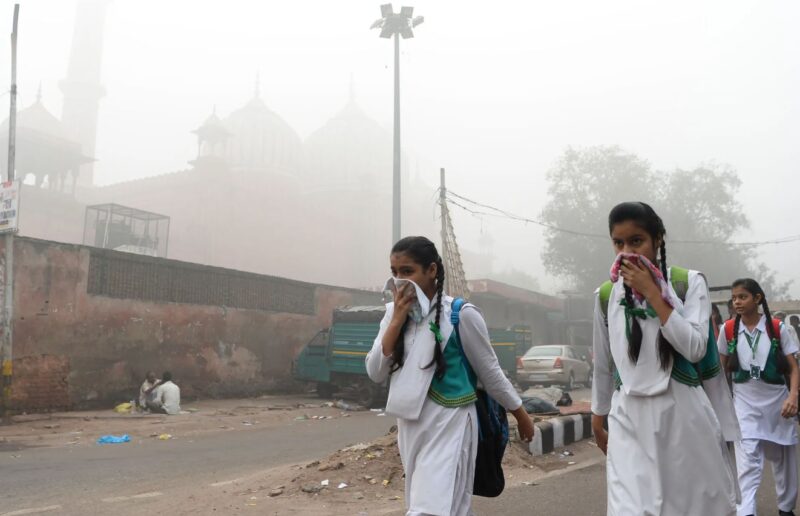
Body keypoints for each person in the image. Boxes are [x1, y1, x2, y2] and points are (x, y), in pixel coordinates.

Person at [365, 236, 534, 516]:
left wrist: (521, 414)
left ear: (431, 270)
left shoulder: (461, 315)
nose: (400, 281)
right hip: (410, 424)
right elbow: (375, 371)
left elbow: (490, 373)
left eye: (408, 271)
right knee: (448, 506)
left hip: (452, 421)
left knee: (430, 507)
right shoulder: (393, 315)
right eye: (394, 273)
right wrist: (396, 321)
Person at [591, 202, 739, 515]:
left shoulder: (688, 283)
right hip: (628, 418)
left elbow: (695, 348)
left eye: (636, 241)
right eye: (618, 243)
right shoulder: (606, 295)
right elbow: (603, 364)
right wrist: (598, 416)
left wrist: (654, 294)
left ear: (658, 239)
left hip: (682, 416)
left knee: (690, 506)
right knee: (629, 508)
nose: (627, 252)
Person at [718, 279, 799, 516]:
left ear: (757, 298)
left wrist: (793, 397)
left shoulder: (777, 328)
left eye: (742, 297)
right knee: (747, 462)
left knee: (783, 460)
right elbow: (720, 370)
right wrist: (721, 403)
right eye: (734, 298)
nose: (737, 302)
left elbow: (794, 368)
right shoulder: (728, 330)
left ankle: (786, 508)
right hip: (744, 405)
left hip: (778, 404)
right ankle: (746, 511)